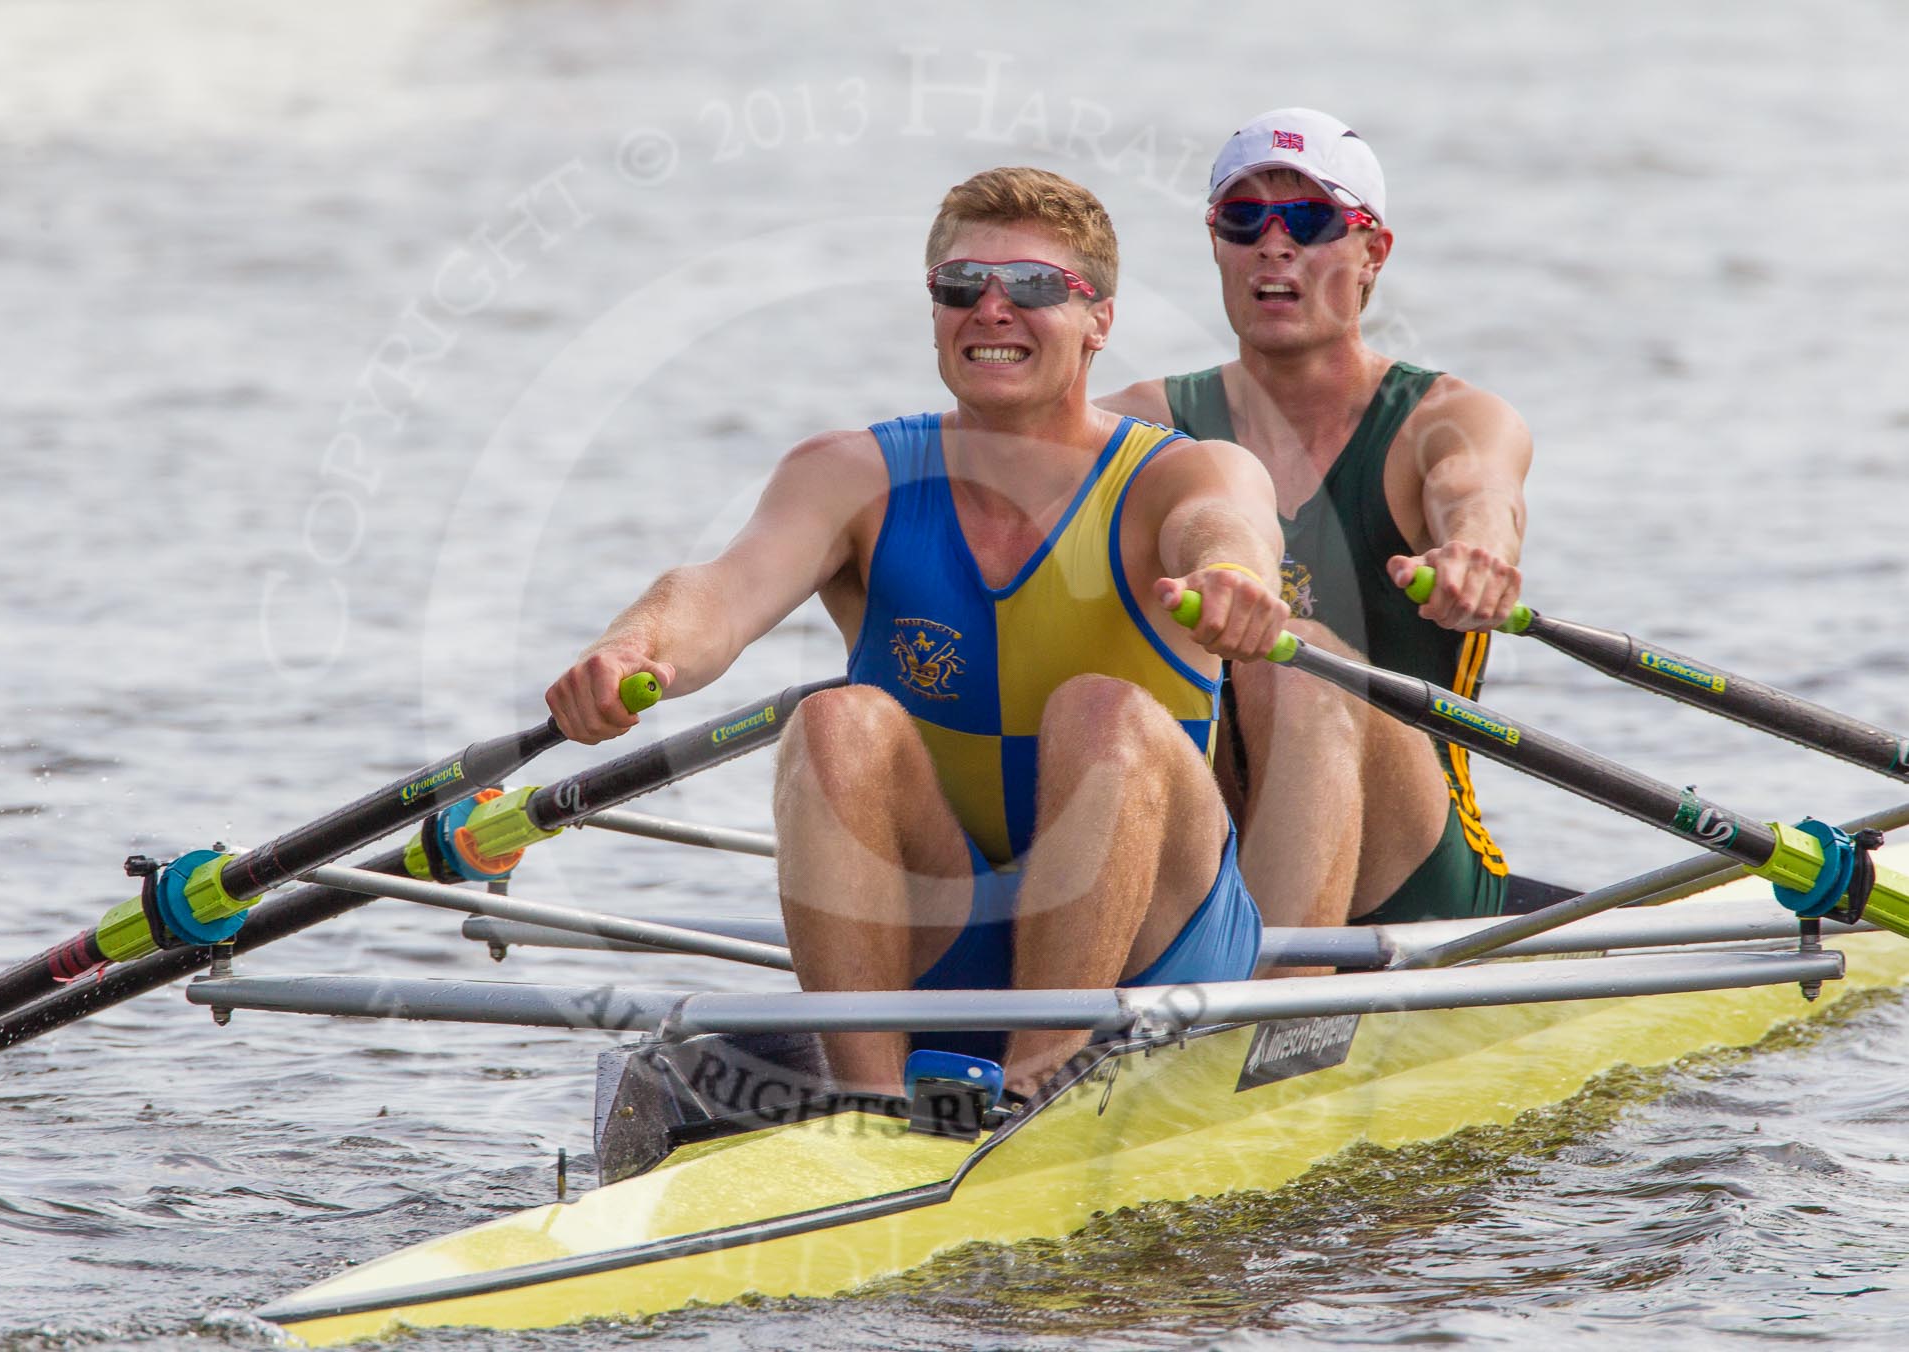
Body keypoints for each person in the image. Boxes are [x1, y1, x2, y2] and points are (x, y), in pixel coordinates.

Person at [545, 167, 1290, 1098]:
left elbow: (1227, 527)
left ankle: (1036, 1089)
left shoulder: (1183, 474)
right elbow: (718, 593)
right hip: (948, 931)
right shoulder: (847, 474)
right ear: (934, 310)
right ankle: (870, 1104)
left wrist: (1233, 581)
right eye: (960, 285)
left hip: (1157, 948)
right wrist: (631, 649)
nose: (992, 309)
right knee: (834, 720)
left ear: (1098, 319)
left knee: (1102, 710)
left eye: (1033, 286)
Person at [1102, 107, 1534, 931]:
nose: (1275, 244)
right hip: (1208, 838)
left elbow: (1480, 491)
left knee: (1297, 660)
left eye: (1309, 219)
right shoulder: (1134, 424)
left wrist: (1476, 552)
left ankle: (1273, 989)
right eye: (1244, 219)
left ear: (1374, 252)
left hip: (1410, 869)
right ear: (1217, 243)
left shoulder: (1447, 419)